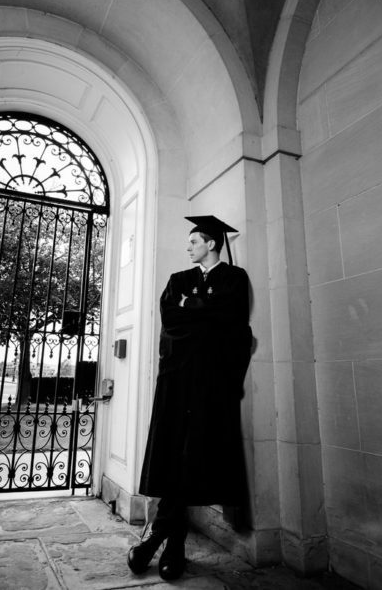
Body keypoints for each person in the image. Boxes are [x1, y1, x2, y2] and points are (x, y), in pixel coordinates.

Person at [127, 215, 253, 581]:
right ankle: (173, 545)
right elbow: (171, 321)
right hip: (178, 381)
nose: (188, 247)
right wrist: (200, 313)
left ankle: (158, 541)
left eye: (194, 241)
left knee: (192, 454)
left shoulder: (234, 278)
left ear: (212, 243)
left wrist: (192, 308)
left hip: (211, 384)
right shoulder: (178, 281)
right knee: (172, 453)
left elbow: (232, 323)